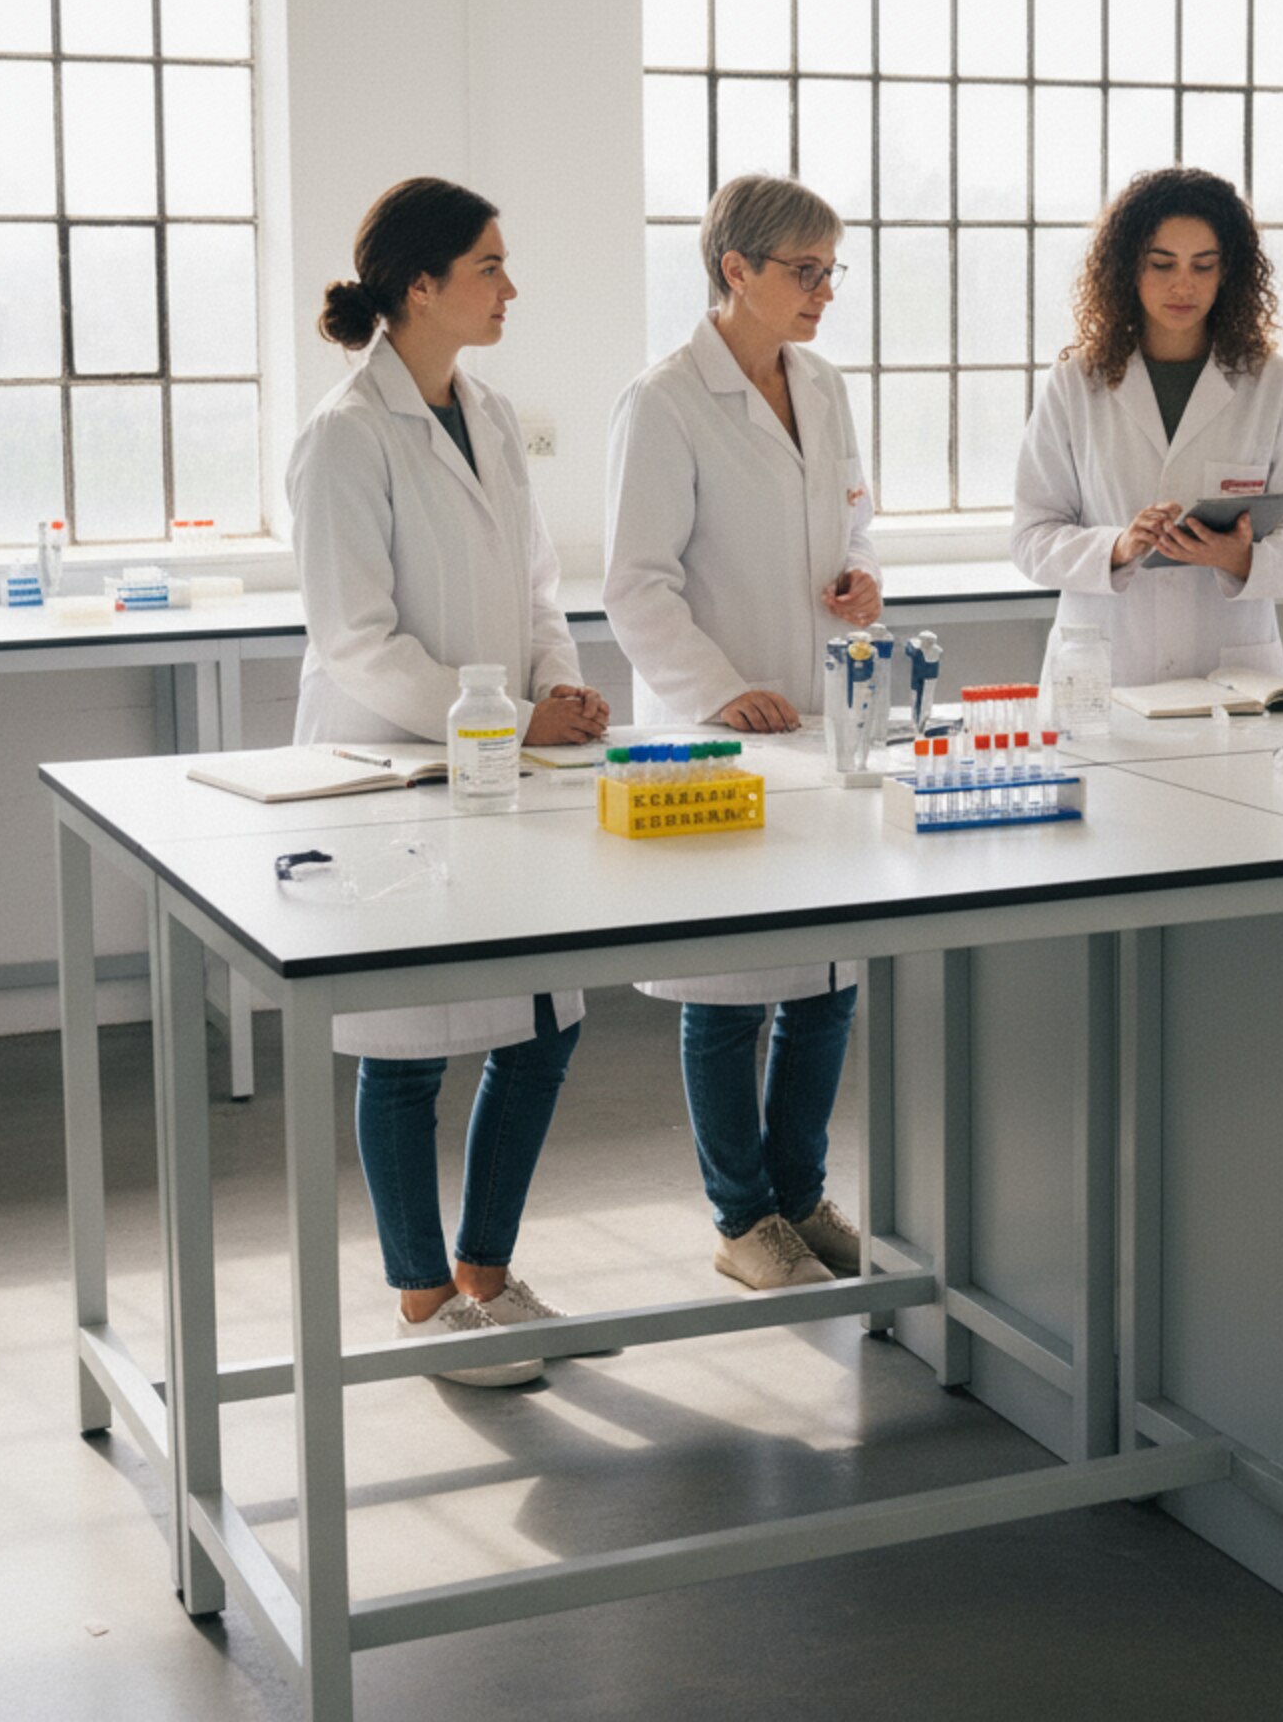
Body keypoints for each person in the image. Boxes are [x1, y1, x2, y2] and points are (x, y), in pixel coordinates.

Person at [291, 177, 610, 1384]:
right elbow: (355, 640)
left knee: (541, 1021)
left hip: (509, 762)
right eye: (488, 265)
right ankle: (425, 1303)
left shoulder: (486, 409)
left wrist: (558, 694)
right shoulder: (344, 435)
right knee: (408, 1045)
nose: (509, 286)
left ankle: (488, 1273)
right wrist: (506, 713)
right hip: (392, 768)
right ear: (418, 284)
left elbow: (536, 588)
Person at [603, 174, 879, 1292]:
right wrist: (720, 692)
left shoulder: (820, 383)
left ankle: (800, 1194)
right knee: (724, 989)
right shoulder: (664, 399)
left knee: (824, 975)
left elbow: (854, 519)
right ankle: (739, 1215)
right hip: (714, 730)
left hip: (818, 714)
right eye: (803, 270)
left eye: (830, 269)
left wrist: (863, 585)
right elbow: (634, 585)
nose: (822, 291)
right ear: (736, 270)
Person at [1010, 168, 1283, 689]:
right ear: (1127, 271)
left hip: (1232, 675)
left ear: (1227, 273)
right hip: (1107, 672)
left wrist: (1241, 558)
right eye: (1162, 265)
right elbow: (1031, 537)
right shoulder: (1076, 384)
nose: (1183, 285)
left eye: (1203, 266)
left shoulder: (1274, 385)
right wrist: (1117, 547)